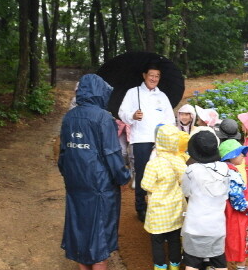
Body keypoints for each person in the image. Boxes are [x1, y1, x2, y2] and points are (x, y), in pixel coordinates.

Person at [58, 74, 131, 270]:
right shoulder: (103, 118)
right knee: (100, 235)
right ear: (99, 92)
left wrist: (70, 176)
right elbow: (112, 153)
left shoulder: (69, 117)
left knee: (81, 229)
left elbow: (63, 153)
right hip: (100, 186)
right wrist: (124, 177)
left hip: (76, 184)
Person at [118, 63, 175, 222]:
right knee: (142, 174)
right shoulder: (133, 93)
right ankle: (141, 207)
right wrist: (132, 116)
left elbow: (170, 118)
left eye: (157, 76)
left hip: (160, 142)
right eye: (151, 75)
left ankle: (157, 206)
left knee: (160, 174)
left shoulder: (162, 96)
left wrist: (166, 135)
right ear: (144, 75)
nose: (154, 79)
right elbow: (122, 112)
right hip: (141, 140)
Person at [181, 130, 230, 270]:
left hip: (195, 225)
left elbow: (185, 191)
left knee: (191, 262)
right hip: (217, 226)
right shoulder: (225, 168)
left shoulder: (191, 171)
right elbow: (226, 194)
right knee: (219, 261)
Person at [141, 124, 187, 270]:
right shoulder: (180, 162)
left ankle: (160, 266)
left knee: (157, 241)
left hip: (159, 210)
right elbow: (185, 182)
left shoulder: (153, 164)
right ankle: (175, 265)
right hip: (175, 208)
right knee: (174, 240)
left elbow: (146, 185)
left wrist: (158, 189)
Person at [219, 139, 248, 270]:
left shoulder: (221, 170)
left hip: (223, 212)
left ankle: (219, 264)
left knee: (224, 240)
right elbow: (237, 201)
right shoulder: (233, 174)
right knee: (239, 240)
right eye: (241, 154)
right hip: (235, 216)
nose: (244, 156)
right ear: (232, 156)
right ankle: (241, 266)